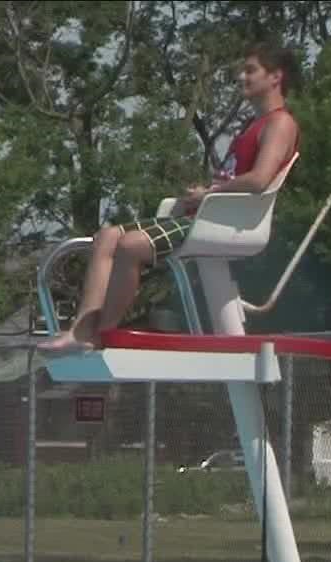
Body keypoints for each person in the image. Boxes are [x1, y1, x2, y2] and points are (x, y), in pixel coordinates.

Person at [41, 41, 303, 353]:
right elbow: (236, 178)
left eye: (250, 70)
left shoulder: (280, 123)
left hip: (226, 223)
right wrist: (201, 194)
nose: (241, 77)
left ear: (276, 77)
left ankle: (103, 333)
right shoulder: (253, 126)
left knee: (130, 245)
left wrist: (210, 192)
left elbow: (260, 180)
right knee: (107, 236)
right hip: (208, 214)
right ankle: (82, 329)